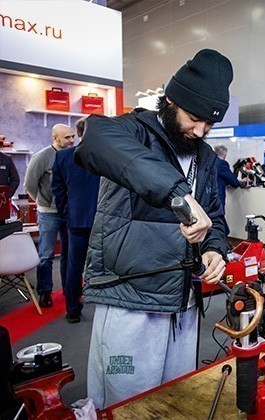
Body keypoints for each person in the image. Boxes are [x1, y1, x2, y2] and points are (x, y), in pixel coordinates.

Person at [74, 49, 232, 409]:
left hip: (182, 302)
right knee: (125, 402)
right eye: (194, 118)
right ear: (171, 100)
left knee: (176, 400)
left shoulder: (205, 157)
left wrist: (214, 248)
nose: (200, 131)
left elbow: (214, 217)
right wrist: (178, 194)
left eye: (209, 125)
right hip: (131, 299)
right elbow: (94, 139)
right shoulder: (133, 131)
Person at [51, 118, 99, 323]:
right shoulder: (104, 155)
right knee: (108, 264)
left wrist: (66, 213)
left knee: (74, 266)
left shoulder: (62, 156)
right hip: (102, 219)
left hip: (76, 218)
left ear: (78, 134)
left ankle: (72, 310)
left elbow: (58, 189)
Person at [24, 124, 75, 308]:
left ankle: (69, 289)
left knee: (68, 253)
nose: (71, 140)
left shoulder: (73, 155)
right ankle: (45, 291)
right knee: (46, 253)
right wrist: (42, 202)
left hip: (68, 211)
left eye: (72, 136)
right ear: (55, 138)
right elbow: (30, 184)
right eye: (67, 137)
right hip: (48, 213)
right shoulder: (42, 157)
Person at [213, 144, 242, 236]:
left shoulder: (209, 162)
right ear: (225, 155)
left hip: (208, 197)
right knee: (219, 220)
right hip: (218, 197)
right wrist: (239, 181)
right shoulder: (221, 164)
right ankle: (223, 239)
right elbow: (234, 182)